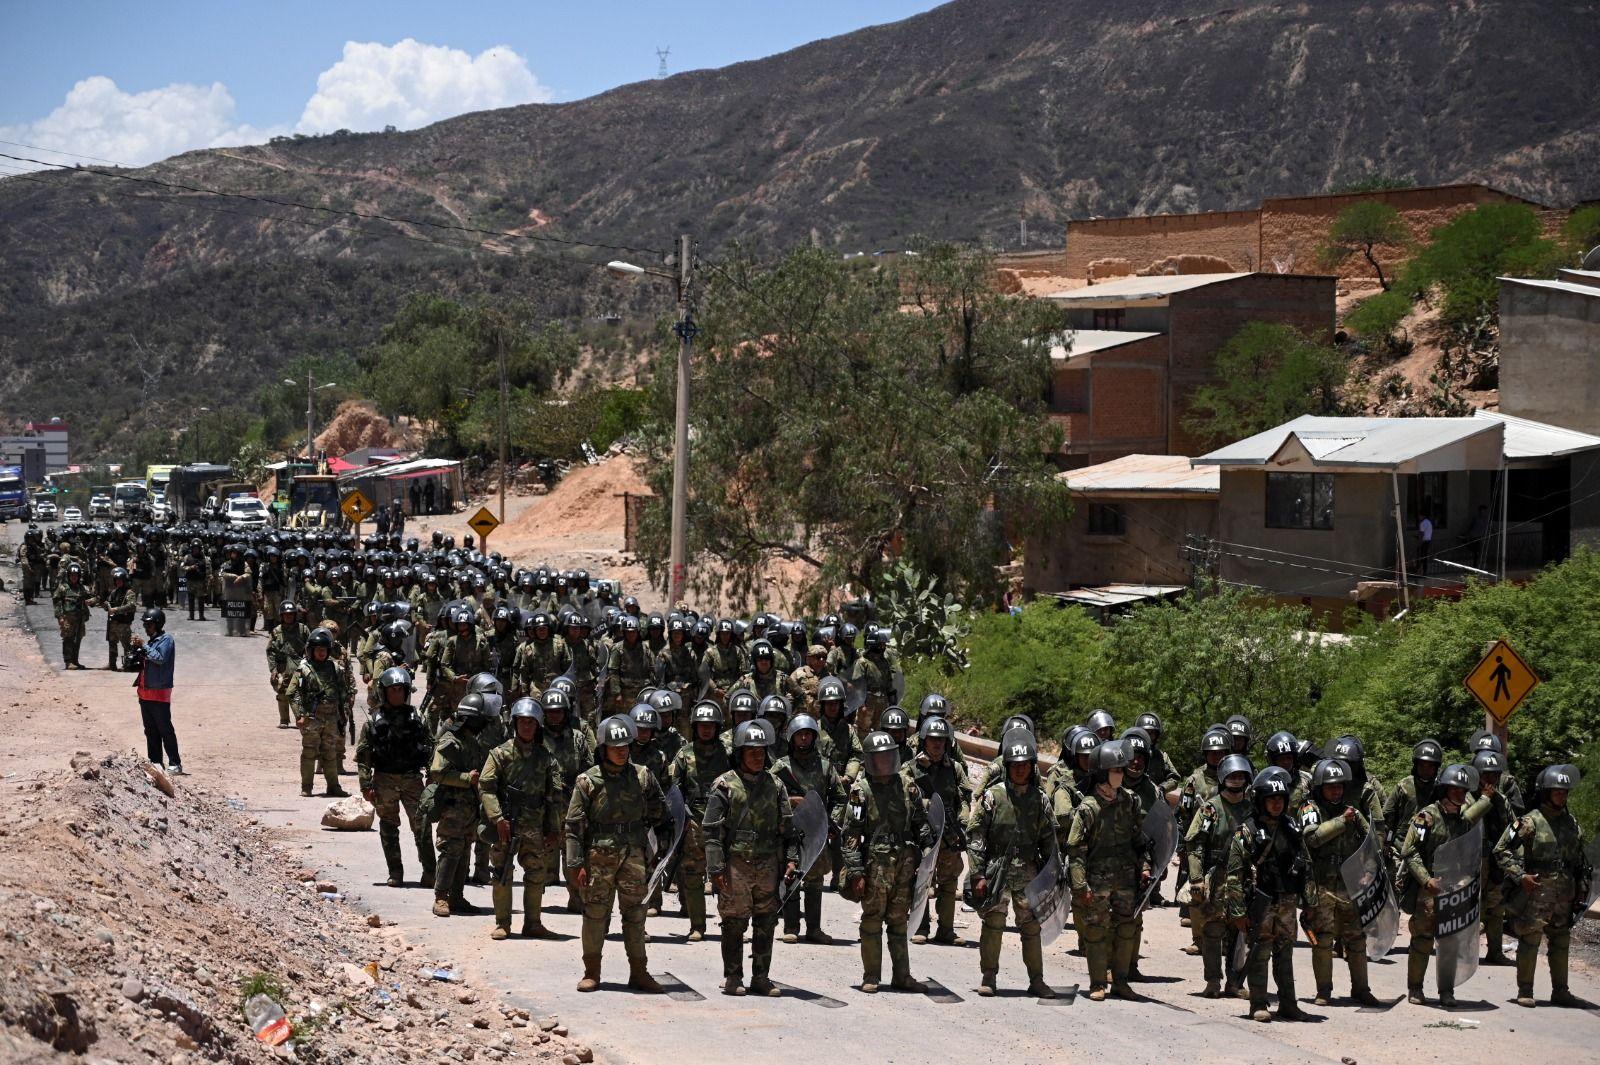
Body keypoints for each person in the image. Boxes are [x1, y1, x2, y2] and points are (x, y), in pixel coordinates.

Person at [565, 715, 667, 993]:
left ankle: (639, 972)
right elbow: (573, 827)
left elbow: (661, 811)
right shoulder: (587, 781)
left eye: (626, 746)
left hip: (634, 854)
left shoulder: (643, 776)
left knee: (635, 914)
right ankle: (592, 972)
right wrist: (575, 863)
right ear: (603, 748)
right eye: (615, 746)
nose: (622, 751)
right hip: (598, 856)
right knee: (596, 913)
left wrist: (661, 849)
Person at [704, 720, 798, 997]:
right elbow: (712, 832)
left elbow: (788, 829)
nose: (758, 756)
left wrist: (791, 859)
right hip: (735, 865)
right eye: (752, 751)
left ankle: (761, 976)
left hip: (768, 864)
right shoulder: (724, 785)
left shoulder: (776, 785)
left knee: (766, 920)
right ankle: (733, 976)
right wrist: (715, 868)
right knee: (734, 921)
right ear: (740, 753)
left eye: (761, 751)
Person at [963, 725, 1056, 998]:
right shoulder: (993, 797)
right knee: (994, 923)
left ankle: (1037, 980)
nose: (1019, 770)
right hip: (996, 872)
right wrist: (978, 874)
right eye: (1014, 765)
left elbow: (1049, 839)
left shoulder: (1040, 800)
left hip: (1028, 872)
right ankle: (989, 977)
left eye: (1024, 765)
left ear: (1031, 766)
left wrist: (1052, 875)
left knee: (1031, 926)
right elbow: (976, 836)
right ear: (1007, 766)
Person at [1494, 764, 1590, 1008]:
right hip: (1536, 893)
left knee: (1561, 940)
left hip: (1563, 895)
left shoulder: (1572, 823)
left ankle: (1561, 991)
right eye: (1557, 792)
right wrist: (1520, 876)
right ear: (1545, 793)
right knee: (1530, 939)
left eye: (1565, 792)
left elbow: (1579, 860)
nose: (1562, 796)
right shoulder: (1529, 822)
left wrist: (1582, 887)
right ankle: (1525, 990)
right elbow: (1501, 850)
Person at [840, 730, 929, 993]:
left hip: (904, 862)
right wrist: (856, 871)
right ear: (868, 760)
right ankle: (871, 976)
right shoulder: (860, 791)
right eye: (878, 759)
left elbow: (921, 823)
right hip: (874, 864)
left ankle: (902, 975)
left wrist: (927, 852)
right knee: (872, 919)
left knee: (899, 919)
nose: (883, 763)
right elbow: (851, 834)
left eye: (888, 757)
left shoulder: (908, 786)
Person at [1068, 740, 1153, 1001]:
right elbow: (1076, 850)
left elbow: (1140, 838)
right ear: (1102, 773)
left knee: (1127, 928)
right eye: (1115, 770)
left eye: (1121, 769)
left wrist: (1147, 866)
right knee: (1096, 930)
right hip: (1097, 881)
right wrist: (1080, 886)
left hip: (1126, 879)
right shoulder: (1088, 808)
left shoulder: (1130, 802)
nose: (1121, 774)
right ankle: (1097, 983)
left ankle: (1121, 982)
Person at [1399, 762, 1490, 1006]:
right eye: (1456, 790)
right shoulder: (1426, 817)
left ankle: (1447, 991)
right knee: (1422, 939)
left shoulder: (1461, 820)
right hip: (1428, 889)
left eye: (1464, 791)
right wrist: (1425, 879)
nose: (1461, 794)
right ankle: (1415, 988)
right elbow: (1410, 852)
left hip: (1453, 889)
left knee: (1450, 941)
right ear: (1444, 790)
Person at [1225, 767, 1308, 1023]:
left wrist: (1310, 903)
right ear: (1260, 801)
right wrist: (1238, 912)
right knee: (1259, 954)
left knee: (1285, 953)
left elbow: (1305, 863)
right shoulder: (1247, 831)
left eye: (1280, 799)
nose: (1276, 803)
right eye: (1271, 799)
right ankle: (1258, 1003)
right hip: (1260, 903)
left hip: (1286, 902)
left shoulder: (1291, 828)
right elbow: (1234, 875)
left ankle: (1288, 1004)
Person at [1299, 758, 1382, 1006]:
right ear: (1320, 787)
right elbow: (1312, 838)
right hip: (1321, 886)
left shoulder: (1353, 811)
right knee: (1323, 940)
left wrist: (1369, 871)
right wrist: (1342, 821)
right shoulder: (1309, 809)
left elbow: (1371, 844)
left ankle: (1361, 989)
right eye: (1330, 786)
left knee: (1356, 939)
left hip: (1351, 886)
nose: (1335, 790)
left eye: (1339, 786)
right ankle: (1323, 991)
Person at [480, 697, 563, 940]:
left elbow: (553, 797)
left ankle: (533, 923)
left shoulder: (545, 758)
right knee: (502, 872)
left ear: (538, 725)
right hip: (506, 823)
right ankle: (503, 923)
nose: (526, 727)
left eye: (531, 722)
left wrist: (554, 829)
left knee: (537, 873)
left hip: (534, 825)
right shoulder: (500, 754)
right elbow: (486, 787)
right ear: (514, 724)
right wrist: (497, 818)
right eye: (522, 722)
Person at [357, 666, 436, 888]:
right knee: (389, 827)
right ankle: (395, 872)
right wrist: (366, 785)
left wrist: (432, 776)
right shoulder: (374, 721)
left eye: (401, 690)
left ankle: (430, 871)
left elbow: (431, 747)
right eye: (392, 690)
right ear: (384, 692)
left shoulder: (418, 717)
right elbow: (363, 756)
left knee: (421, 825)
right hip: (384, 780)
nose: (397, 694)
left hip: (413, 779)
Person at [1186, 752, 1253, 998]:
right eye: (1232, 776)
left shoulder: (1251, 809)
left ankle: (1235, 982)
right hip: (1216, 878)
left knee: (1240, 931)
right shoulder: (1210, 809)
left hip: (1243, 878)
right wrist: (1196, 879)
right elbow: (1195, 844)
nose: (1236, 780)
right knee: (1212, 930)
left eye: (1240, 776)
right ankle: (1213, 981)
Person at [906, 716, 973, 945]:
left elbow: (964, 797)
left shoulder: (954, 768)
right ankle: (920, 927)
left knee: (948, 881)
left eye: (941, 741)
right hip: (921, 832)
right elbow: (904, 798)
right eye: (933, 740)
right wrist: (927, 807)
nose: (937, 744)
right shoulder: (911, 768)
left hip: (948, 833)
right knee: (921, 879)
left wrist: (962, 821)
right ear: (924, 741)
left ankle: (946, 929)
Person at [668, 700, 732, 941]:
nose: (707, 730)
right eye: (702, 725)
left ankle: (730, 923)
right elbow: (674, 789)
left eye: (711, 725)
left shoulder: (728, 753)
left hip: (722, 822)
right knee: (693, 875)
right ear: (695, 726)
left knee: (725, 873)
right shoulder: (684, 754)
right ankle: (697, 925)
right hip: (693, 819)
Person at [428, 694, 495, 917]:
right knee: (450, 850)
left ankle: (457, 897)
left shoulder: (471, 742)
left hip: (468, 809)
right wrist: (466, 778)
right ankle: (441, 897)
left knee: (464, 850)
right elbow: (437, 772)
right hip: (452, 807)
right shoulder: (450, 742)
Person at [292, 627, 351, 798]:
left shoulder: (335, 669)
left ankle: (333, 786)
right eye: (318, 650)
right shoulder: (304, 669)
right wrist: (299, 715)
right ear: (311, 651)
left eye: (324, 650)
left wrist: (343, 712)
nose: (321, 653)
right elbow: (292, 692)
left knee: (330, 752)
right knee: (309, 751)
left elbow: (343, 692)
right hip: (312, 718)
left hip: (331, 717)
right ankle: (307, 787)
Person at [130, 608, 181, 775]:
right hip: (145, 693)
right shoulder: (151, 641)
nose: (146, 627)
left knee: (164, 729)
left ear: (158, 624)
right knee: (150, 731)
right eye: (145, 624)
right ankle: (156, 763)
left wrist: (144, 645)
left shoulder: (166, 640)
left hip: (159, 693)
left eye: (149, 624)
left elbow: (159, 658)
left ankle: (175, 763)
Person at [266, 601, 308, 728]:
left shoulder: (303, 629)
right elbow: (270, 651)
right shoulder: (276, 632)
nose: (288, 617)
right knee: (282, 691)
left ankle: (299, 718)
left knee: (300, 693)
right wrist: (273, 669)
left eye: (291, 614)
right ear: (281, 616)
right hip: (282, 667)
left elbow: (310, 647)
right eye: (286, 615)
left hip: (299, 666)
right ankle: (284, 719)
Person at [52, 562, 96, 669]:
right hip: (68, 618)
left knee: (78, 639)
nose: (74, 577)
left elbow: (94, 599)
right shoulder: (63, 588)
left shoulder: (83, 588)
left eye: (76, 575)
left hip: (80, 619)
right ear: (68, 575)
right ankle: (68, 662)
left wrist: (91, 600)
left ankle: (75, 661)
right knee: (68, 639)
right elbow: (57, 602)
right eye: (72, 575)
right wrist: (60, 617)